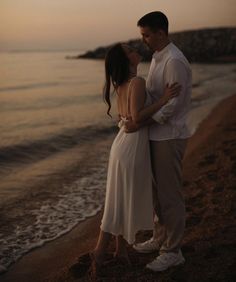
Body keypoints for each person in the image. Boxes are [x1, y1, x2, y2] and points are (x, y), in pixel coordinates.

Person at [91, 43, 181, 271]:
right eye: (129, 49)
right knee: (119, 203)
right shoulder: (137, 82)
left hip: (122, 145)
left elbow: (130, 120)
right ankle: (99, 253)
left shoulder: (122, 84)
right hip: (130, 148)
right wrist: (164, 99)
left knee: (118, 199)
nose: (135, 49)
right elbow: (137, 118)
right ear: (127, 60)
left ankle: (120, 251)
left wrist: (135, 119)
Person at [128, 11, 192, 271]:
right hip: (154, 136)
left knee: (170, 196)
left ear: (161, 33)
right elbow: (156, 98)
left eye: (146, 35)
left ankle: (173, 250)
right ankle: (160, 236)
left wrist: (141, 122)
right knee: (156, 193)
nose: (143, 40)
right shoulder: (157, 57)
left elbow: (170, 108)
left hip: (169, 136)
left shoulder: (174, 61)